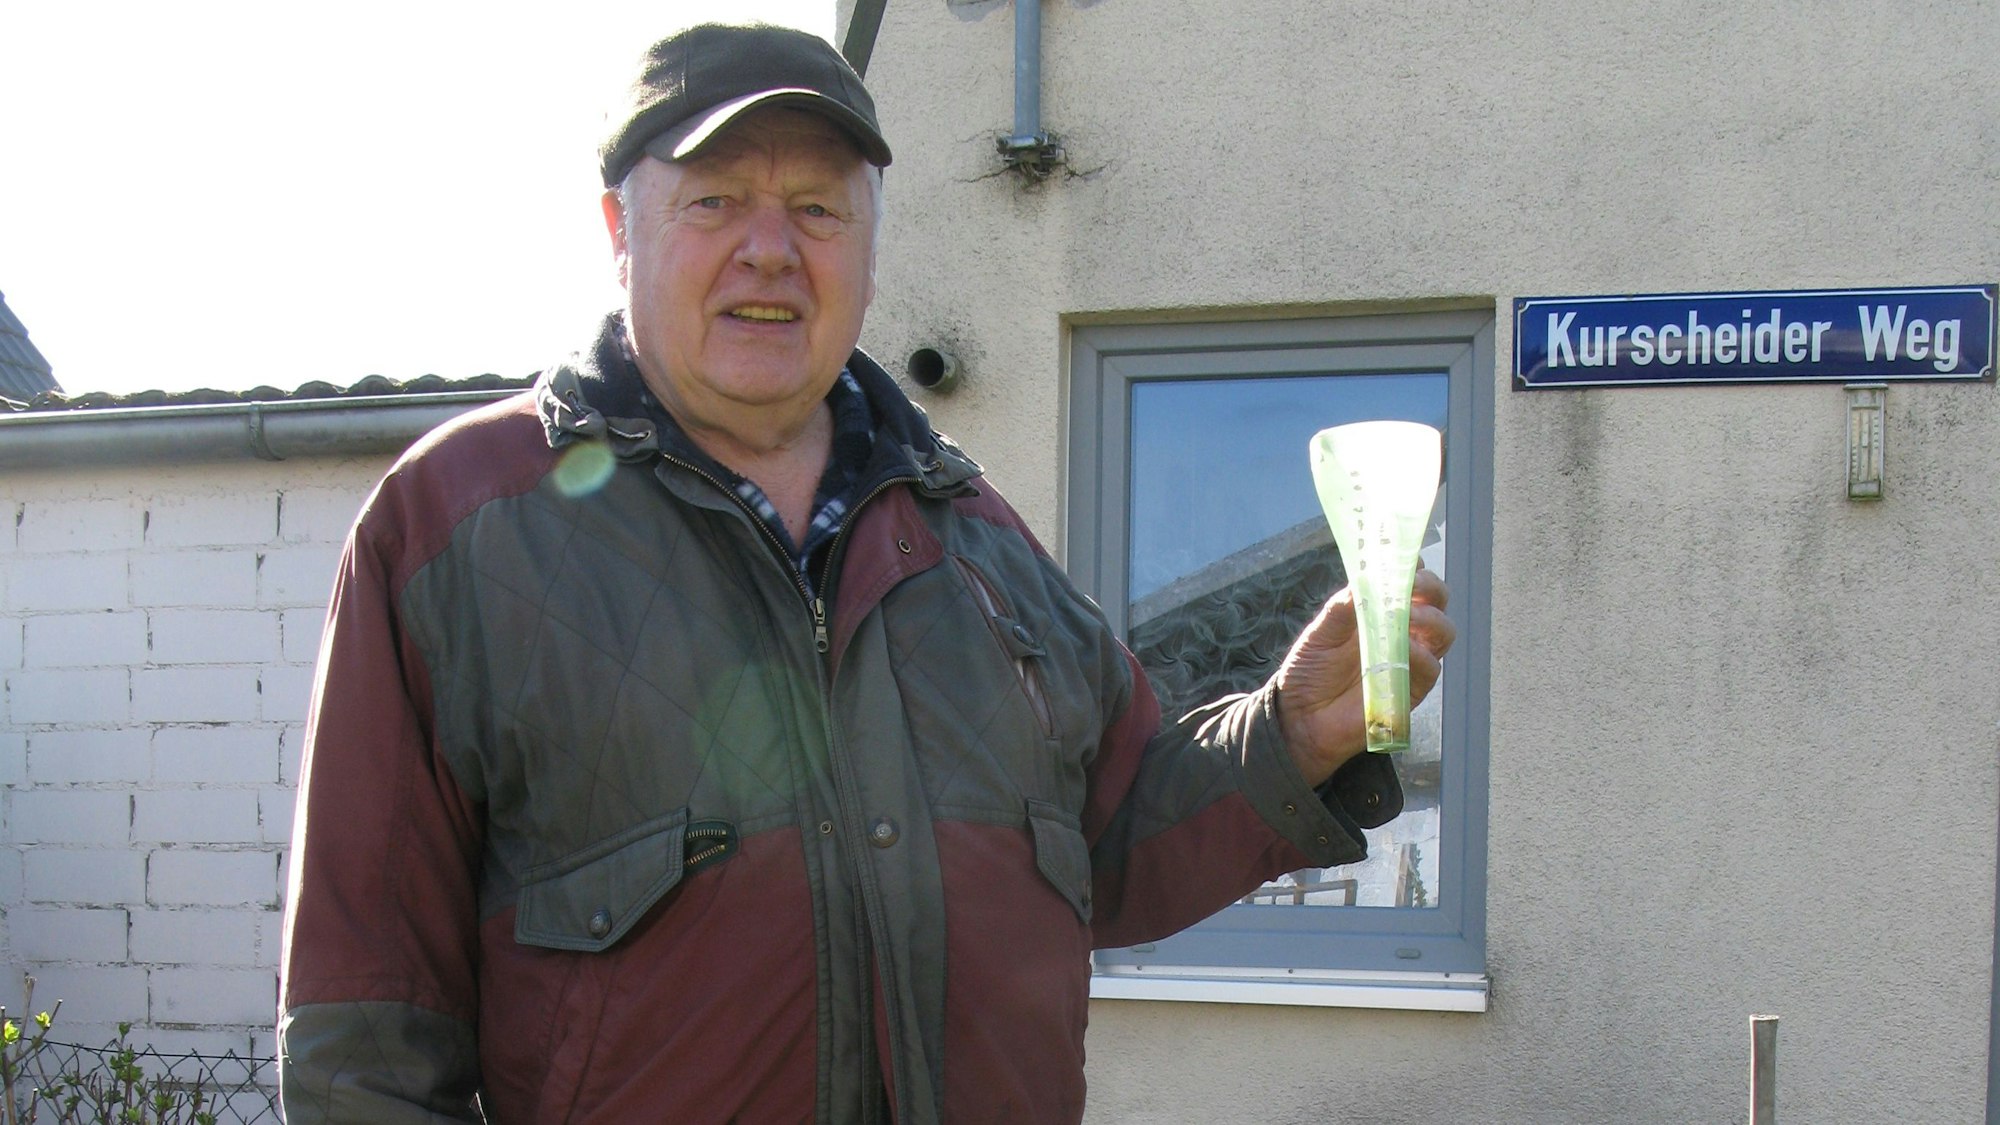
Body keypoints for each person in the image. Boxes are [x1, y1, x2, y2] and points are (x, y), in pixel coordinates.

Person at [277, 21, 1454, 1125]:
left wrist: (1288, 737)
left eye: (816, 209)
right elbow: (366, 1034)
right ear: (618, 231)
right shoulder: (454, 529)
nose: (770, 248)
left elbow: (1113, 837)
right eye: (714, 200)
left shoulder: (975, 535)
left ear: (871, 249)